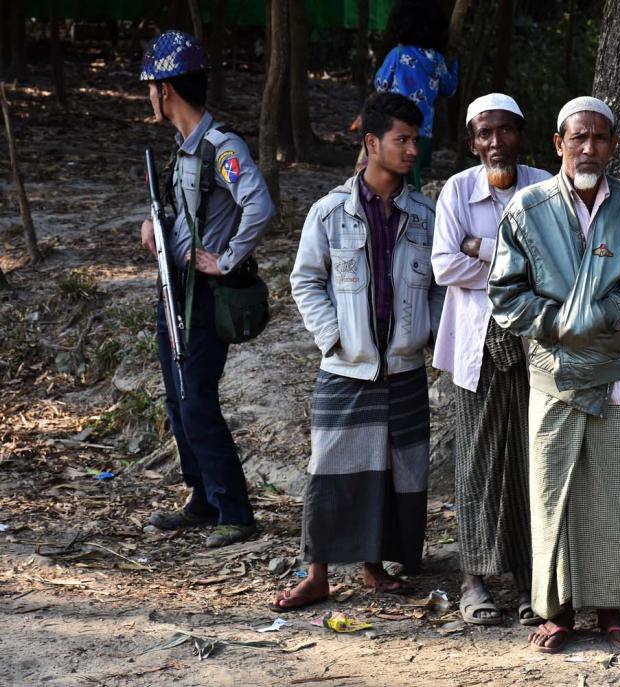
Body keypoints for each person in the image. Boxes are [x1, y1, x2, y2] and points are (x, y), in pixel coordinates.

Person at [488, 97, 620, 652]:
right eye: (578, 138)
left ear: (613, 146)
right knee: (554, 494)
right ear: (558, 144)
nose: (588, 148)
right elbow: (505, 292)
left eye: (599, 139)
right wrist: (557, 323)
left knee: (614, 495)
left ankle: (612, 610)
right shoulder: (528, 208)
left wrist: (601, 314)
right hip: (554, 372)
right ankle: (558, 611)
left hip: (615, 374)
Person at [274, 92, 445, 610]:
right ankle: (317, 573)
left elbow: (441, 286)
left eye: (416, 139)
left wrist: (423, 333)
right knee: (329, 466)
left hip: (403, 365)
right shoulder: (328, 213)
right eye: (402, 139)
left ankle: (374, 569)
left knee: (395, 468)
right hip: (346, 366)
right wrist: (335, 338)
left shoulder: (425, 215)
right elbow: (305, 282)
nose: (413, 149)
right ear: (372, 143)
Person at [139, 30, 274, 548]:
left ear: (166, 90)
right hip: (175, 290)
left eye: (151, 86)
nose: (150, 96)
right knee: (178, 400)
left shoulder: (222, 148)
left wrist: (227, 259)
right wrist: (155, 227)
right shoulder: (185, 151)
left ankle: (236, 511)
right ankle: (202, 498)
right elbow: (191, 214)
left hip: (203, 295)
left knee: (196, 400)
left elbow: (259, 206)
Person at [431, 93, 550, 627]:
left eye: (504, 131)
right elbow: (443, 265)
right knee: (478, 460)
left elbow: (556, 261)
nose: (494, 142)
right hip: (476, 345)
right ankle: (474, 580)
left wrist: (482, 247)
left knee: (531, 458)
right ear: (473, 141)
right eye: (484, 134)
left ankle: (530, 583)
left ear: (520, 134)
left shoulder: (545, 185)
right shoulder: (458, 189)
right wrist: (510, 266)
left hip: (536, 344)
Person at [367, 0, 458, 190]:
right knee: (411, 173)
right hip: (423, 131)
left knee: (399, 177)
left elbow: (381, 84)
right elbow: (449, 89)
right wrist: (455, 66)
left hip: (396, 130)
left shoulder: (398, 54)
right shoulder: (437, 59)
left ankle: (410, 215)